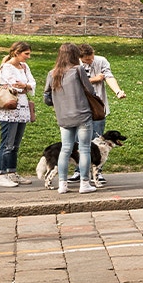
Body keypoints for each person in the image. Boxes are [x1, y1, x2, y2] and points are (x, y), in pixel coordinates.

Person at [43, 42, 96, 194]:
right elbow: (90, 91)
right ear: (75, 55)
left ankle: (62, 185)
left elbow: (46, 98)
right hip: (82, 114)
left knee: (65, 149)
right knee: (84, 149)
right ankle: (84, 183)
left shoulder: (52, 73)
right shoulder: (78, 70)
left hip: (64, 117)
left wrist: (58, 102)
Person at [75, 45, 125, 184]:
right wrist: (94, 79)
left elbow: (109, 77)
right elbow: (73, 82)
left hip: (97, 107)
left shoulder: (101, 61)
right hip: (80, 107)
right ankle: (79, 170)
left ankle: (97, 171)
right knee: (79, 141)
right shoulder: (74, 63)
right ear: (80, 58)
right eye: (86, 60)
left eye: (91, 58)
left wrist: (118, 91)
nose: (90, 61)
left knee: (97, 140)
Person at [0, 42, 37, 188]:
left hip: (23, 107)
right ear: (16, 53)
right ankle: (2, 174)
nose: (28, 57)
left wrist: (25, 86)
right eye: (26, 54)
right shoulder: (6, 67)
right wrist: (24, 87)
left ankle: (12, 172)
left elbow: (31, 83)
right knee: (7, 143)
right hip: (10, 108)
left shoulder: (24, 67)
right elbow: (13, 85)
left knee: (15, 144)